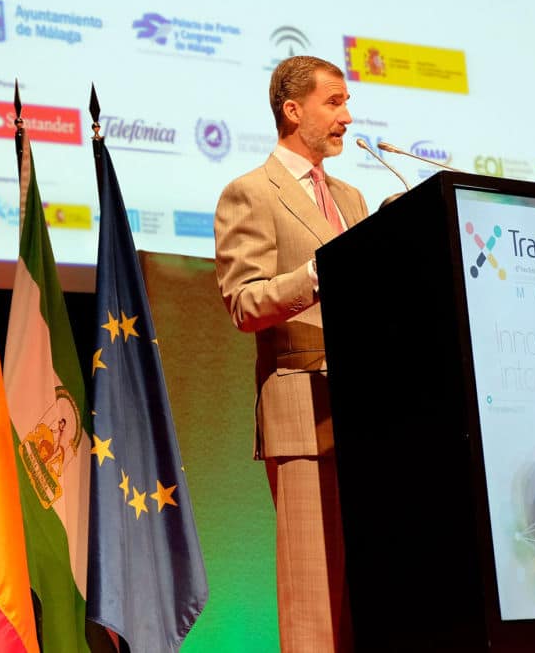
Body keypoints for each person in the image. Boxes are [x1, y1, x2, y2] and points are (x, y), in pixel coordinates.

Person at [213, 55, 368, 652]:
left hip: (364, 416)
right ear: (292, 109)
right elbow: (245, 303)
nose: (347, 117)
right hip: (302, 410)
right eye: (334, 103)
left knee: (364, 596)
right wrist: (314, 275)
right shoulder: (251, 193)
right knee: (314, 599)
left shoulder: (352, 198)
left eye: (347, 103)